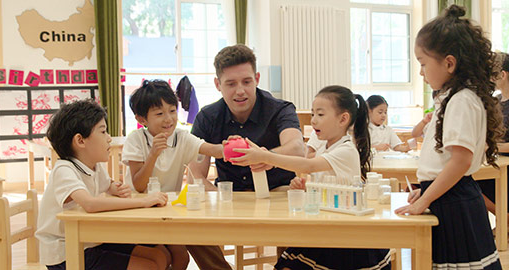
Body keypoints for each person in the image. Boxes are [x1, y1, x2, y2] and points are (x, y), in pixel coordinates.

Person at [231, 86, 391, 270]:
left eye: (320, 115)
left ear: (343, 119)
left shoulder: (346, 150)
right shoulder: (325, 148)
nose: (313, 120)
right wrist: (306, 186)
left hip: (345, 236)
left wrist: (266, 157)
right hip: (324, 227)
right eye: (313, 114)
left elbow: (307, 166)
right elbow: (321, 178)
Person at [394, 5, 503, 269]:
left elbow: (460, 162)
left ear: (449, 63)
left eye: (422, 64)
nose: (420, 73)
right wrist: (427, 190)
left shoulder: (462, 100)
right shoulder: (454, 97)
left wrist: (426, 198)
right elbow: (446, 162)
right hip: (451, 197)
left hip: (457, 203)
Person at [186, 44, 305, 270]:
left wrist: (266, 157)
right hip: (229, 194)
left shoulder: (279, 109)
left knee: (300, 216)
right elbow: (196, 175)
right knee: (190, 226)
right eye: (231, 84)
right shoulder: (208, 117)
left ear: (257, 78)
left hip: (277, 191)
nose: (240, 91)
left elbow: (297, 148)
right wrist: (213, 197)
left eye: (246, 82)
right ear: (218, 84)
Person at [35, 100, 169, 270]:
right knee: (148, 266)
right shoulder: (64, 169)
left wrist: (116, 188)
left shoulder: (95, 166)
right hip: (65, 251)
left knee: (159, 256)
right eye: (103, 131)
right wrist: (144, 201)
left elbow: (108, 185)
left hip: (88, 240)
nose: (109, 138)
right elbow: (90, 204)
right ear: (80, 140)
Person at [122, 79, 226, 270]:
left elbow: (211, 149)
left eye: (172, 111)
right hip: (139, 211)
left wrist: (229, 147)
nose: (169, 119)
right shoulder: (136, 140)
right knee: (163, 257)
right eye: (159, 114)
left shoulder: (181, 137)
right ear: (142, 120)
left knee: (181, 257)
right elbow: (138, 185)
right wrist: (153, 154)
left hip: (168, 210)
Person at [477, 52, 509, 225]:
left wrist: (492, 146)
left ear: (502, 75)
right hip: (494, 160)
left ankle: (505, 222)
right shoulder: (495, 100)